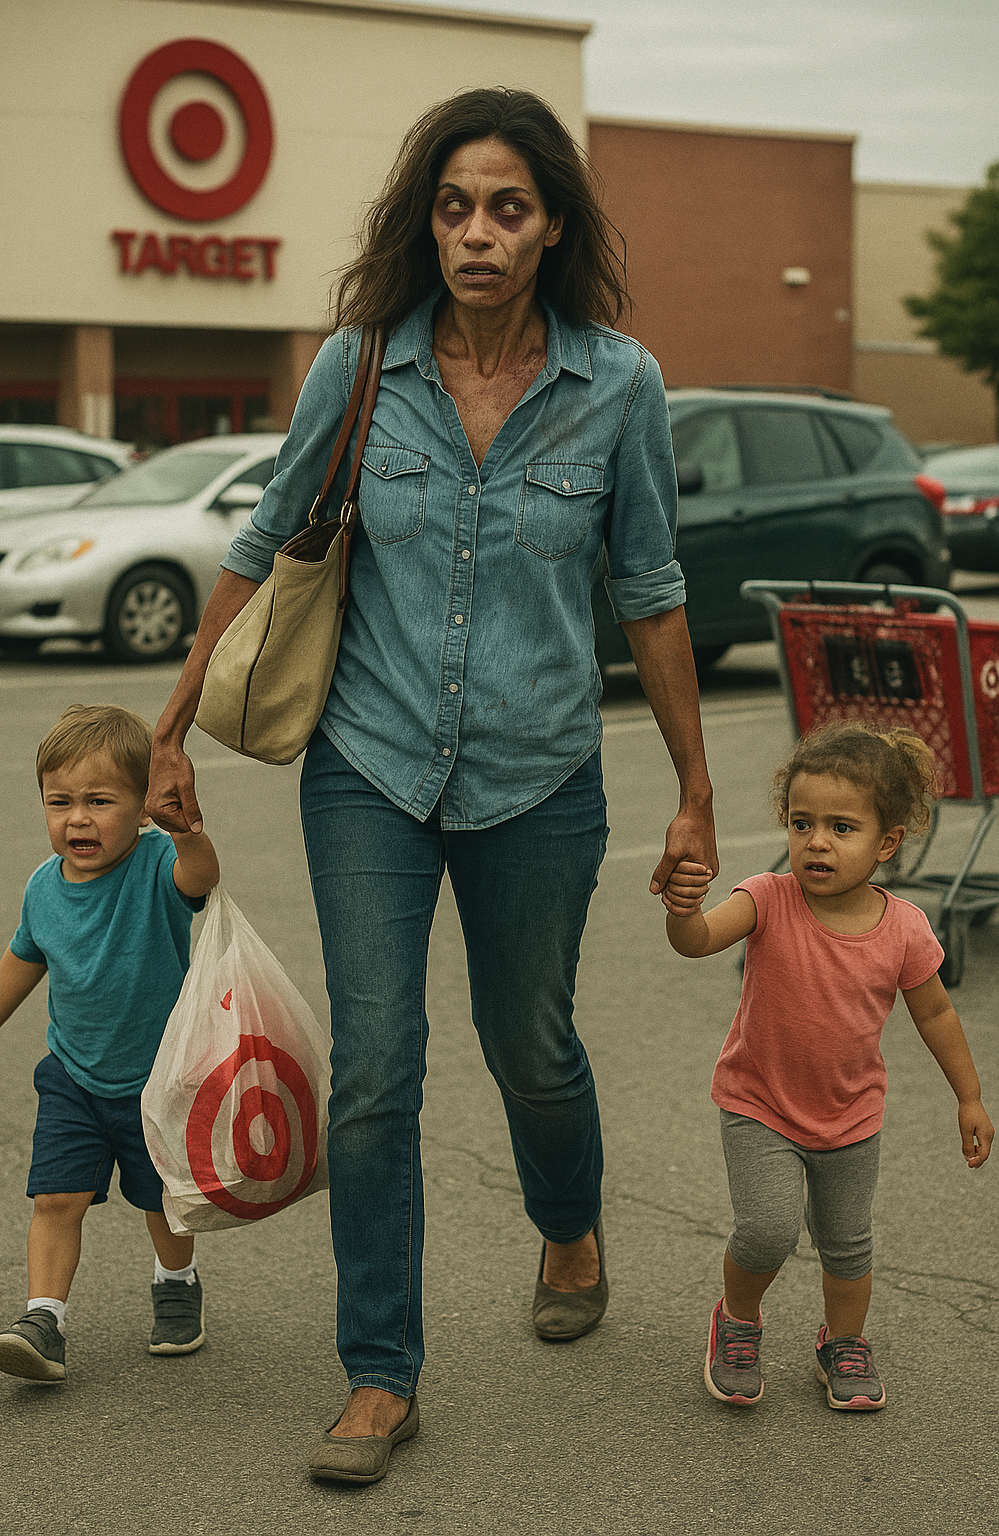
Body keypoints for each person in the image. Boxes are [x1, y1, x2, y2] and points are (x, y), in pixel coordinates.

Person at [145, 87, 717, 1482]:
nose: (477, 231)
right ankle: (380, 1376)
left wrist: (699, 789)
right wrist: (170, 730)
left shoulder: (617, 384)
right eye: (455, 205)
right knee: (378, 1069)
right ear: (428, 221)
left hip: (540, 775)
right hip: (369, 767)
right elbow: (264, 539)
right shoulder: (360, 363)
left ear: (551, 227)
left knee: (533, 1048)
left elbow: (645, 591)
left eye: (507, 207)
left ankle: (567, 1222)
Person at [663, 720, 993, 1411]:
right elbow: (696, 942)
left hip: (851, 1116)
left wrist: (969, 1097)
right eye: (803, 823)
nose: (817, 841)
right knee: (767, 1229)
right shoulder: (767, 898)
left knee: (847, 1247)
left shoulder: (903, 928)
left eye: (842, 828)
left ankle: (842, 1343)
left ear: (887, 842)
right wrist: (683, 909)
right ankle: (738, 1321)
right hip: (760, 1106)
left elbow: (935, 1015)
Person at [0, 704, 220, 1384]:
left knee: (162, 1202)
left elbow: (201, 881)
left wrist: (189, 833)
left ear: (142, 809)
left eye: (98, 801)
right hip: (73, 1080)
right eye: (60, 802)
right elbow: (27, 954)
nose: (76, 819)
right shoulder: (42, 887)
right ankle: (43, 1319)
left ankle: (177, 1283)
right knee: (56, 1199)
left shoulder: (155, 866)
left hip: (156, 1081)